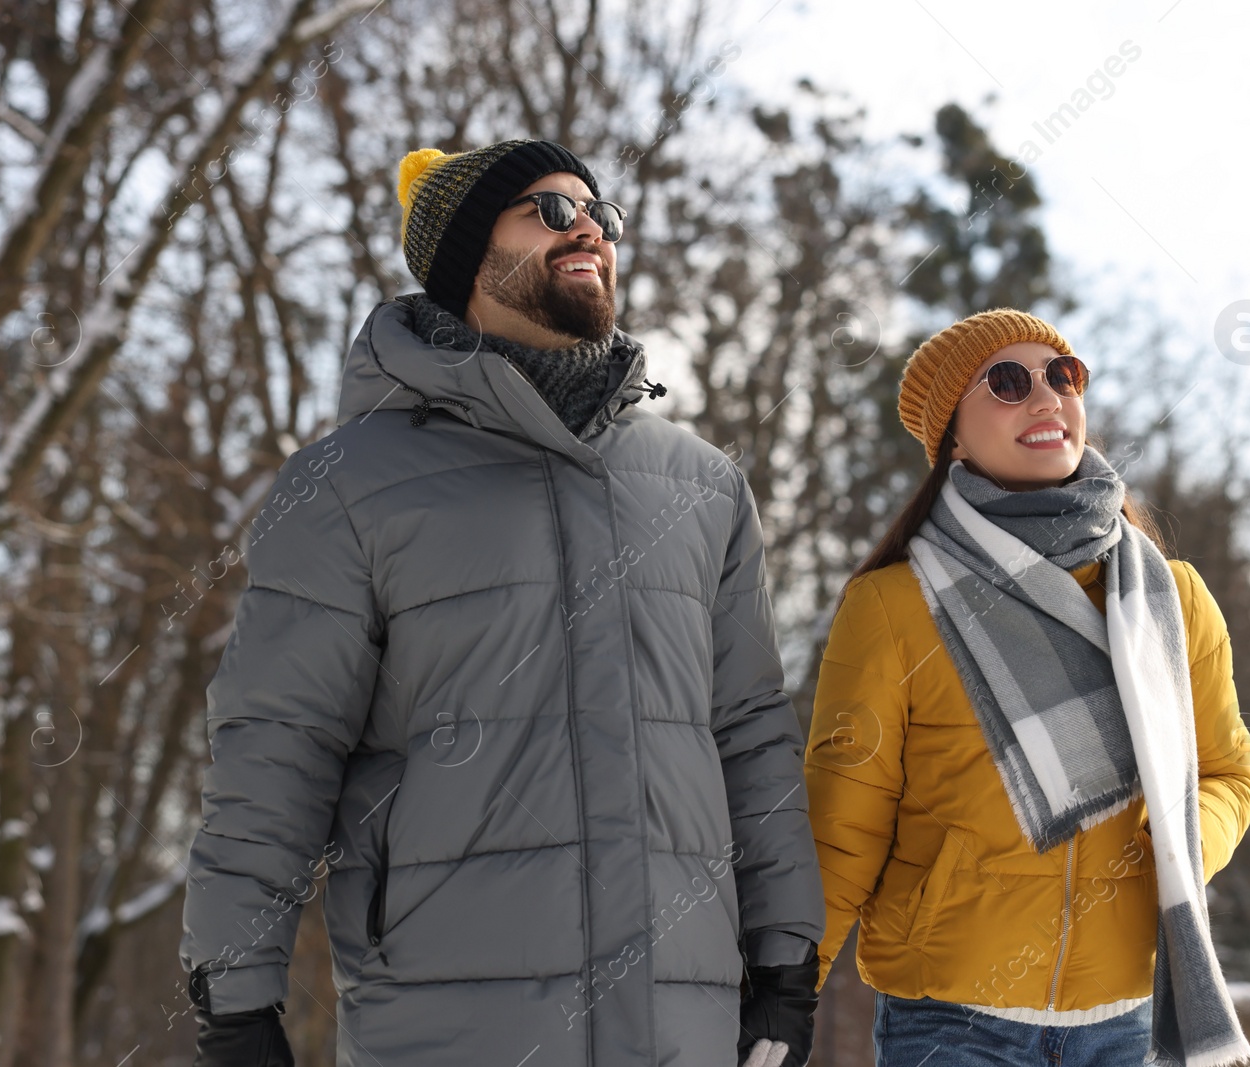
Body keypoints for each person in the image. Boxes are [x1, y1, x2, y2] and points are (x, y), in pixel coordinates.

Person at [177, 138, 825, 1067]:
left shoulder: (703, 485)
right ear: (466, 258)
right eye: (550, 211)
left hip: (683, 1024)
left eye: (600, 213)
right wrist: (236, 1002)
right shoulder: (350, 482)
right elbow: (278, 742)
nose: (589, 229)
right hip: (450, 1025)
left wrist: (785, 962)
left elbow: (751, 732)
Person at [803, 310, 1250, 1066]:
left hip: (1127, 1017)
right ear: (951, 432)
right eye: (1008, 383)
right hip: (949, 1018)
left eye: (1063, 375)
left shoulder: (1169, 599)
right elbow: (841, 830)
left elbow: (1227, 774)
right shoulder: (893, 606)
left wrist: (1181, 836)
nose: (1047, 399)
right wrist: (785, 990)